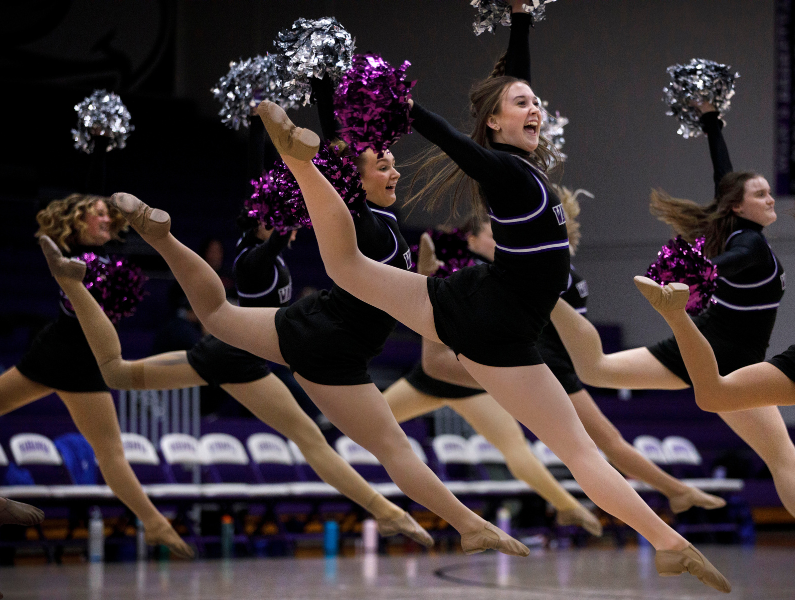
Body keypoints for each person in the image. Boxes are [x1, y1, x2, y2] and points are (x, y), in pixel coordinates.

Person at [235, 4, 730, 591]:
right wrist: (404, 104)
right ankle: (297, 155)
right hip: (487, 316)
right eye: (522, 105)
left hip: (488, 314)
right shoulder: (507, 172)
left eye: (534, 102)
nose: (535, 107)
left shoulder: (522, 165)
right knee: (346, 267)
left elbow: (508, 89)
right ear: (494, 124)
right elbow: (454, 138)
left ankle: (669, 543)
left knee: (349, 268)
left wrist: (521, 20)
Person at [83, 84, 531, 555]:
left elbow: (342, 168)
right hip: (337, 355)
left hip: (305, 325)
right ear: (356, 183)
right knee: (392, 449)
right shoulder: (371, 227)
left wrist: (322, 94)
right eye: (384, 166)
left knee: (215, 314)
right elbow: (340, 175)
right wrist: (318, 118)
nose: (395, 169)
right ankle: (468, 524)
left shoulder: (388, 225)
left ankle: (163, 237)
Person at [39, 211, 432, 547]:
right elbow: (271, 242)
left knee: (119, 374)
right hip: (234, 357)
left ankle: (387, 511)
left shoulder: (268, 259)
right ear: (263, 223)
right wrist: (286, 216)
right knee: (117, 373)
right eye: (281, 221)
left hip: (237, 360)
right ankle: (386, 511)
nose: (293, 229)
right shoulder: (253, 260)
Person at [632, 107, 795, 596]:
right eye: (760, 193)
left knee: (602, 370)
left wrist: (713, 125)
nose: (771, 197)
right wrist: (703, 274)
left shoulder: (781, 235)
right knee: (782, 461)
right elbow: (730, 239)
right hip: (779, 359)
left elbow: (726, 183)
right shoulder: (754, 243)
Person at [1, 194, 192, 558]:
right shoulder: (69, 252)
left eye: (108, 214)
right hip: (56, 350)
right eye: (98, 214)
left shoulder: (109, 263)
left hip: (84, 361)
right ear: (77, 221)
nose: (107, 220)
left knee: (111, 452)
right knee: (111, 452)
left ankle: (154, 523)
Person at [383, 219, 601, 537]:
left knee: (516, 450)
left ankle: (570, 506)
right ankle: (379, 506)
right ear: (470, 239)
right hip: (432, 375)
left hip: (468, 374)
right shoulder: (457, 267)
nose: (498, 240)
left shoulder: (495, 275)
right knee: (366, 426)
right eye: (490, 235)